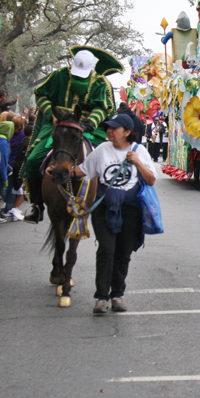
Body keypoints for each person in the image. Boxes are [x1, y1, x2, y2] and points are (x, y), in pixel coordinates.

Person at [58, 113, 156, 314]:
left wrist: (137, 162)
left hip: (131, 210)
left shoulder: (140, 151)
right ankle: (101, 297)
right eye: (108, 128)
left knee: (123, 253)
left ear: (127, 132)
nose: (109, 131)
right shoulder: (102, 150)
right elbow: (82, 170)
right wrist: (59, 171)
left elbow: (151, 180)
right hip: (104, 208)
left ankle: (117, 295)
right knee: (106, 250)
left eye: (114, 128)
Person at [22, 49, 117, 223]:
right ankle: (36, 205)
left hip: (87, 127)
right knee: (33, 159)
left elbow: (103, 108)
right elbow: (41, 96)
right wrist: (52, 113)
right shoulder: (58, 76)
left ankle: (108, 204)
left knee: (107, 159)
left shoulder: (101, 83)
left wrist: (92, 121)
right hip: (59, 125)